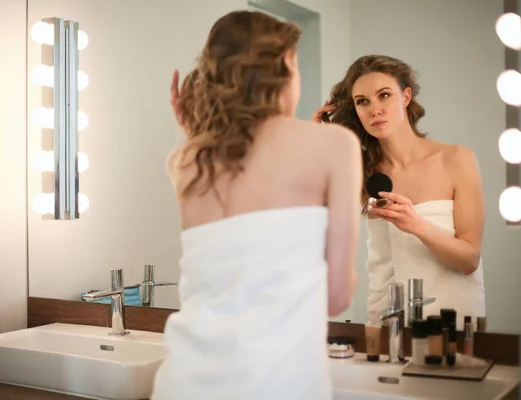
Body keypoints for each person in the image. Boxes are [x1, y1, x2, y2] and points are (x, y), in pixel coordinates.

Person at [150, 10, 360, 400]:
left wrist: (192, 133)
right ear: (284, 64)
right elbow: (337, 297)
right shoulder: (334, 145)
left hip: (184, 382)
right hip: (276, 383)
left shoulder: (183, 161)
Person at [312, 55, 486, 329]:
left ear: (405, 97)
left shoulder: (456, 159)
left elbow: (469, 261)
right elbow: (308, 217)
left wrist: (416, 225)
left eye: (384, 95)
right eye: (362, 101)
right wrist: (319, 142)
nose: (375, 110)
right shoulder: (361, 172)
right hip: (384, 325)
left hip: (450, 325)